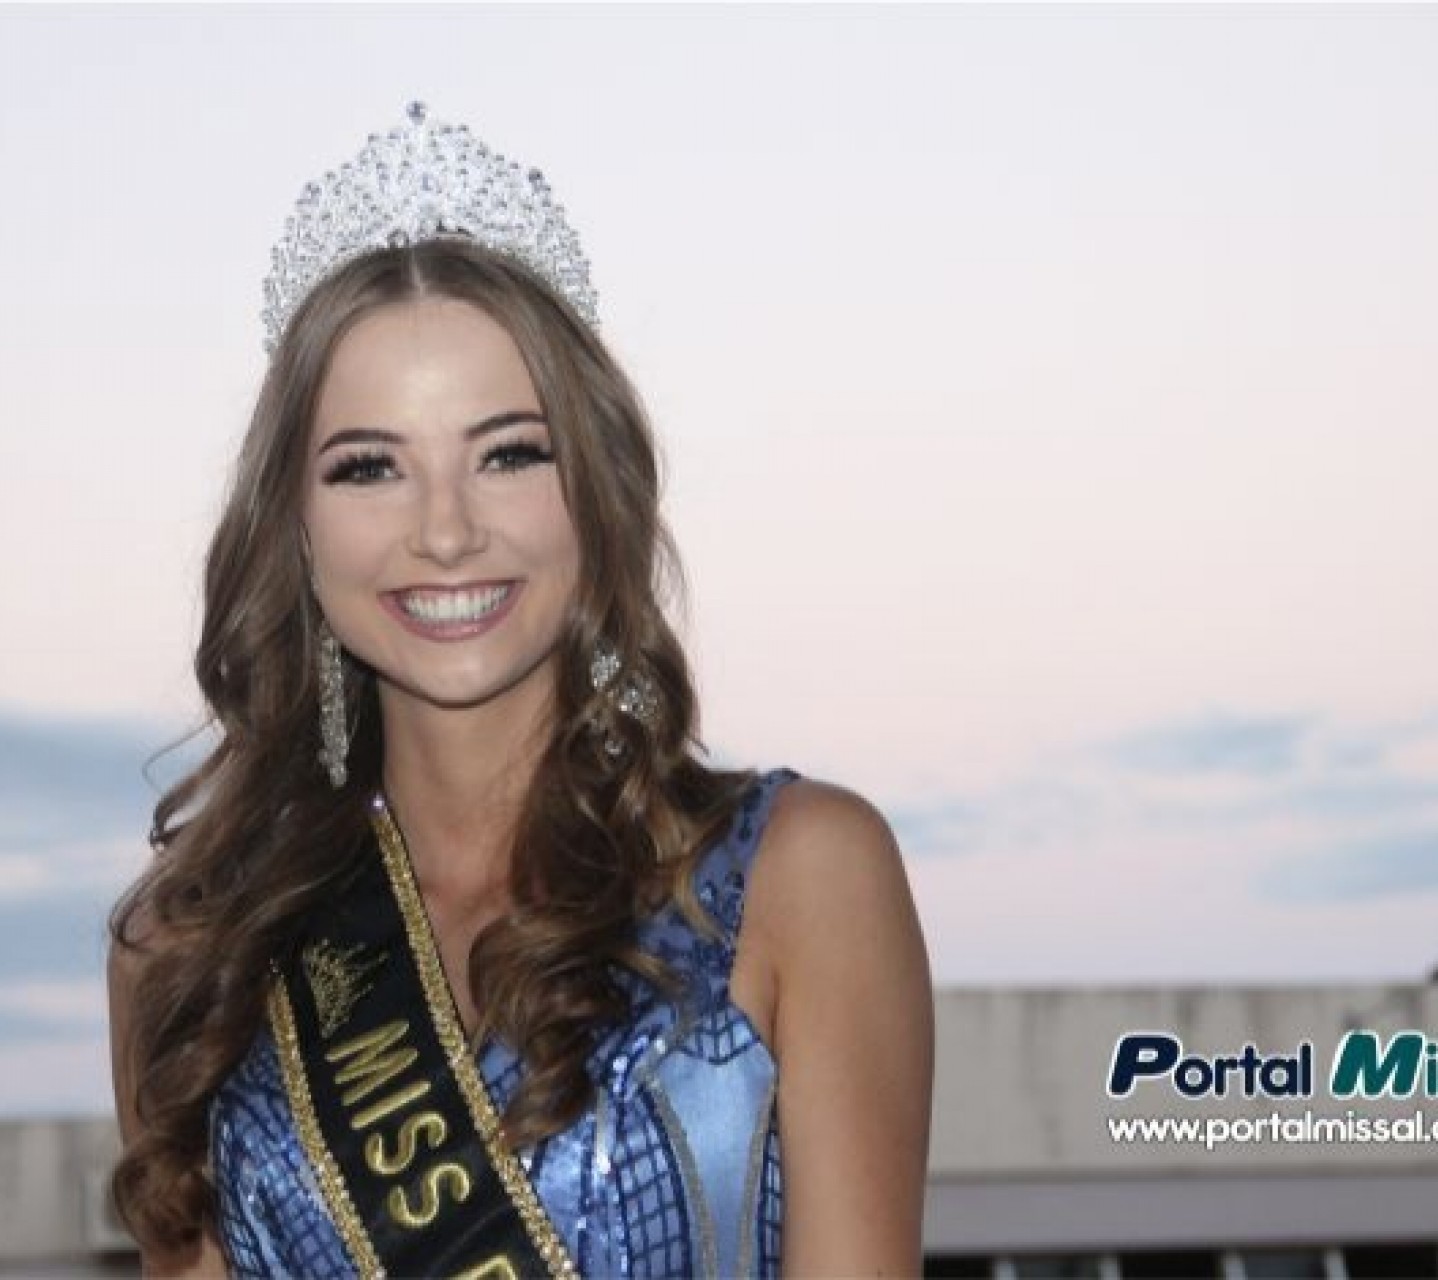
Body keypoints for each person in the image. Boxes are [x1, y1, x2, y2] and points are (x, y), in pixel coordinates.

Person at [108, 103, 933, 1279]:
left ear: (594, 491)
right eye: (370, 466)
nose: (445, 531)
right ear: (293, 527)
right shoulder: (192, 948)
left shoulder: (796, 874)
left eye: (507, 451)